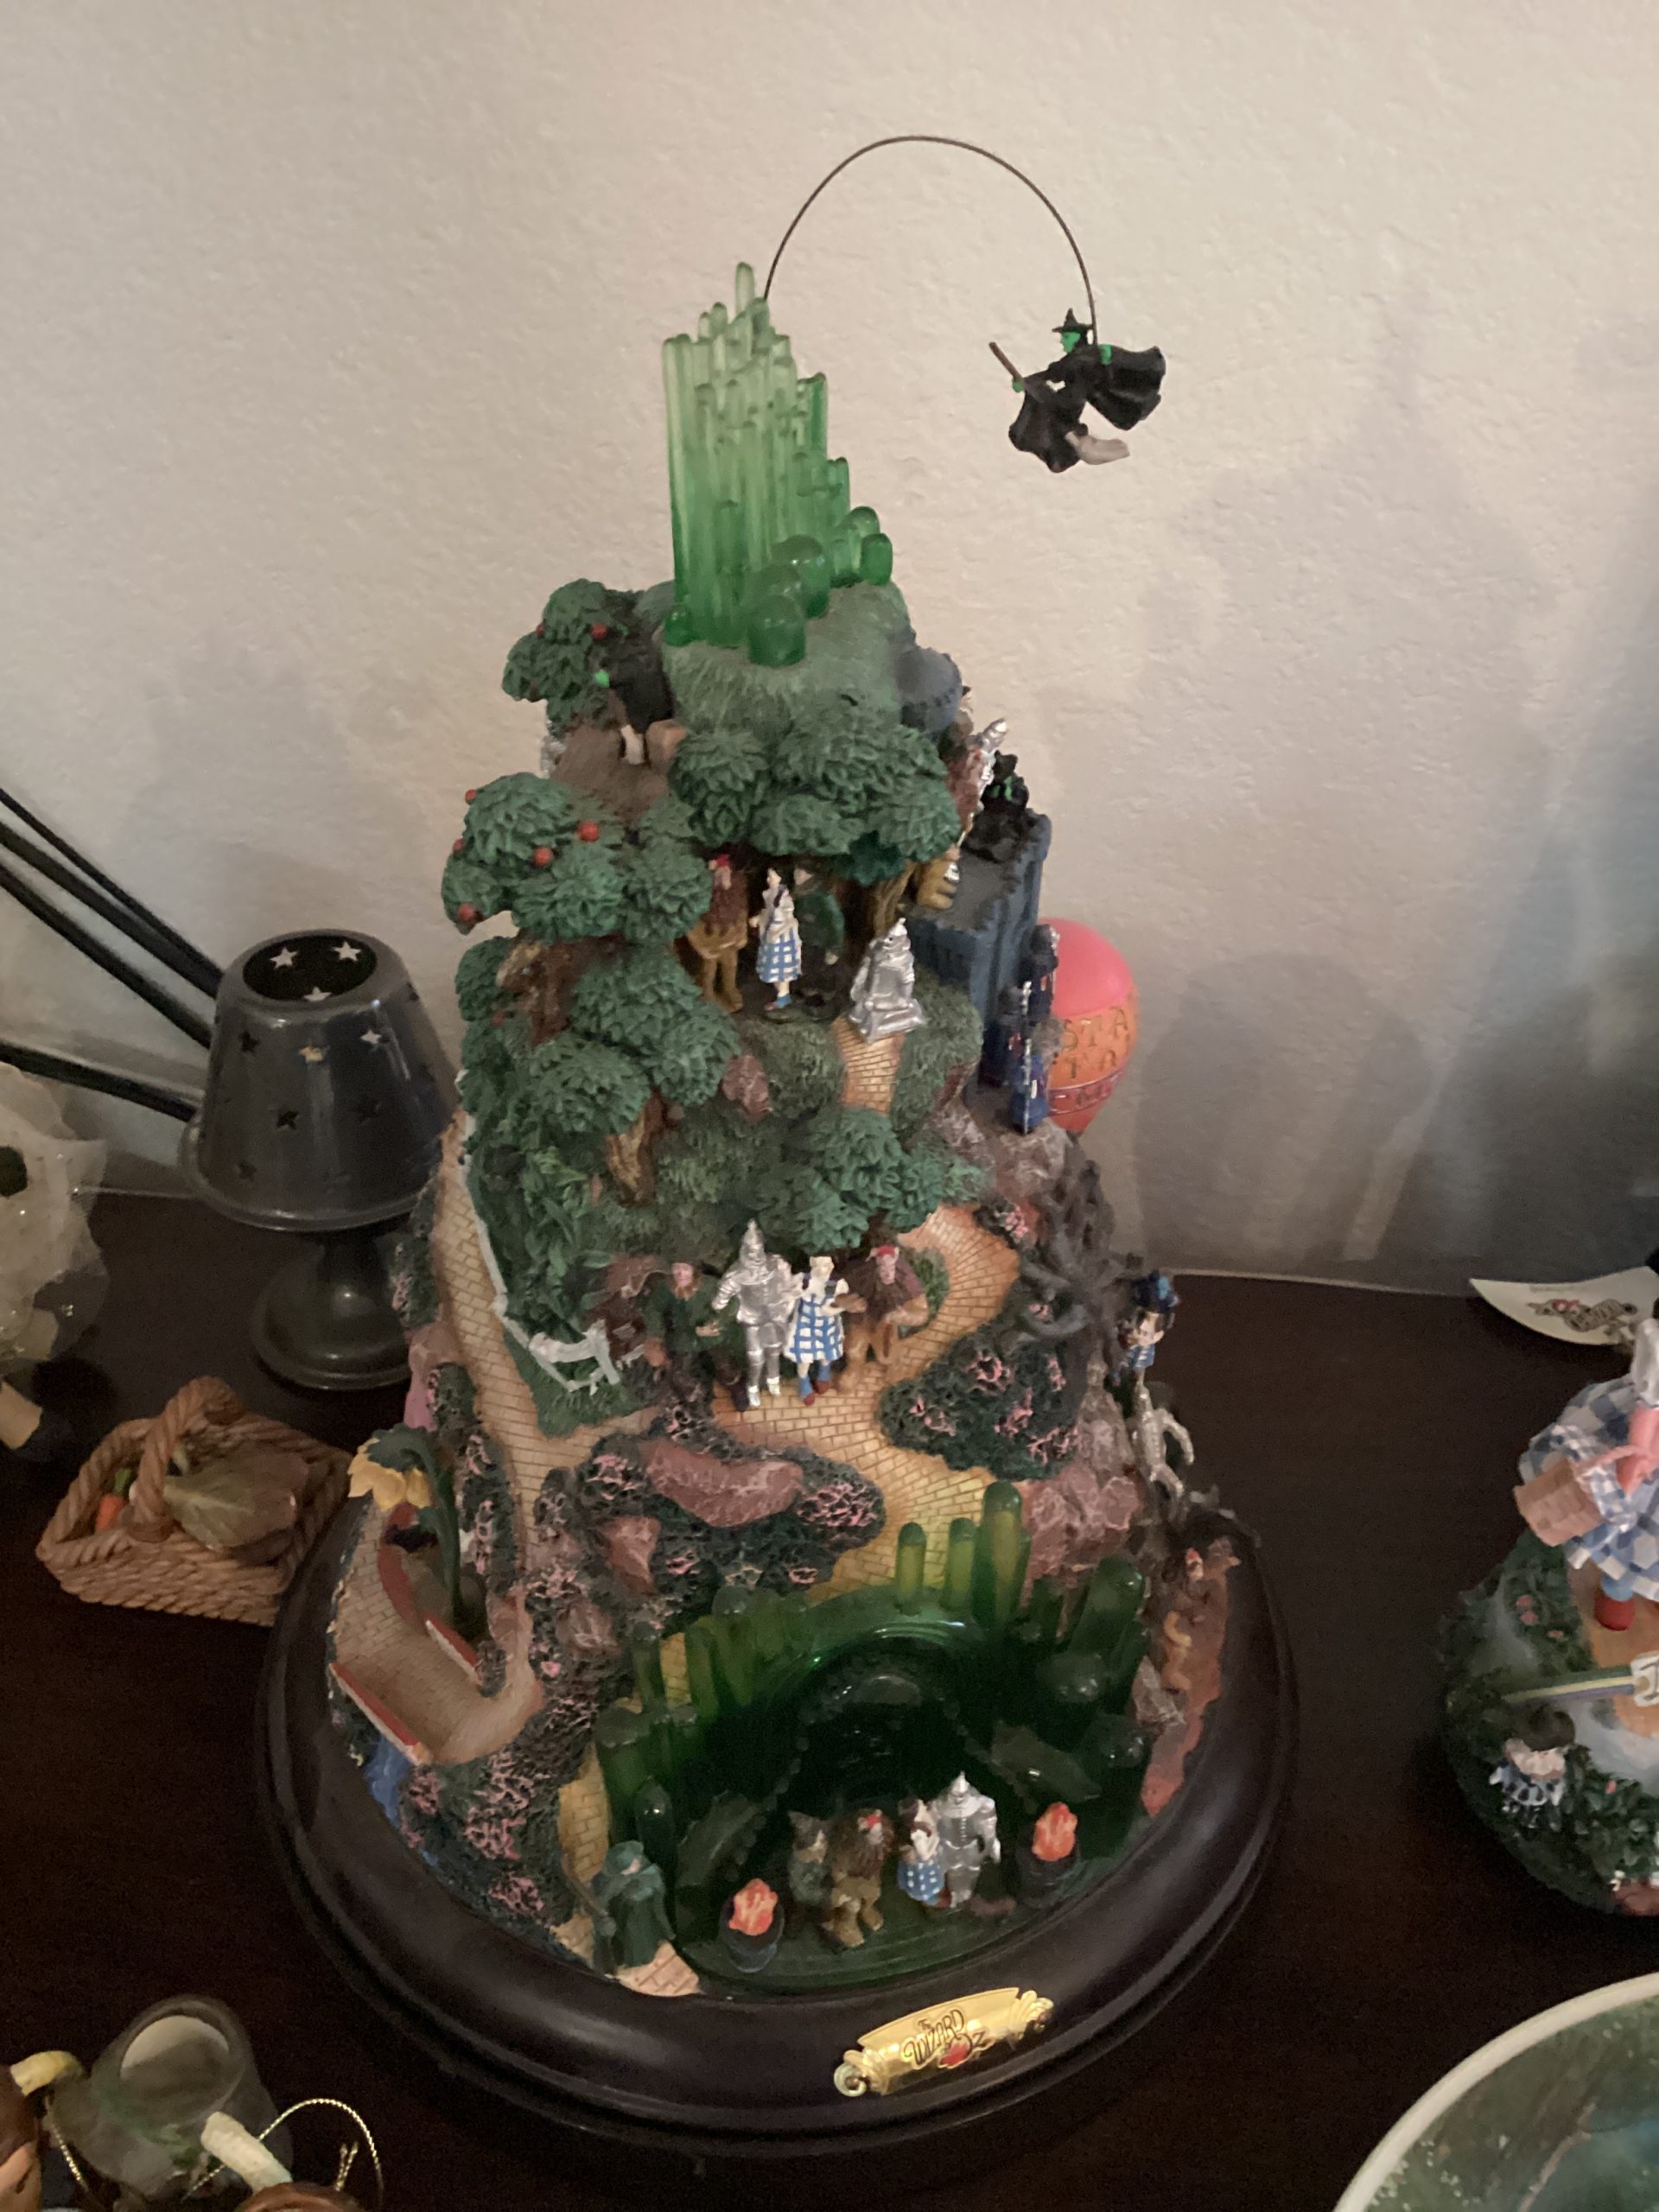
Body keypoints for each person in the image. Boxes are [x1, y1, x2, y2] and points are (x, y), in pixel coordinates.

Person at [712, 1221, 799, 1404]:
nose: (755, 1254)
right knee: (756, 1357)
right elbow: (723, 1294)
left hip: (773, 1314)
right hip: (752, 1317)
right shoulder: (738, 1273)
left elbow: (787, 1284)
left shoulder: (776, 1263)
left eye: (758, 1249)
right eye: (751, 1250)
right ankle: (752, 1387)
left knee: (774, 1350)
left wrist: (786, 1300)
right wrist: (721, 1304)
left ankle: (773, 1379)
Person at [785, 1255, 853, 1400]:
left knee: (827, 1352)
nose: (825, 1269)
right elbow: (789, 1300)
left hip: (827, 1325)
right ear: (812, 1264)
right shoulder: (803, 1281)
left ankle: (824, 1371)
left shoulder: (837, 1284)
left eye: (828, 1265)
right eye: (821, 1265)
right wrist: (792, 1296)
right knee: (804, 1358)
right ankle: (803, 1381)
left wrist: (840, 1307)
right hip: (805, 1324)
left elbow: (839, 1305)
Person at [752, 868, 802, 1014]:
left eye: (772, 877)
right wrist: (759, 918)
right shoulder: (770, 894)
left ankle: (783, 997)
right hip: (770, 936)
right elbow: (768, 912)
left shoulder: (785, 900)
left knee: (782, 969)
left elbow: (789, 921)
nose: (768, 880)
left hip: (782, 939)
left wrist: (777, 933)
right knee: (773, 967)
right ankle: (782, 995)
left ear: (781, 879)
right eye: (768, 876)